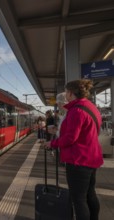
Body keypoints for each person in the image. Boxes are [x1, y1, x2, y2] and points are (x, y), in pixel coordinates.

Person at [44, 79, 103, 220]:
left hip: (79, 160)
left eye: (66, 92)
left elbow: (70, 138)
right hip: (91, 157)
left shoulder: (76, 111)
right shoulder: (91, 107)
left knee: (78, 199)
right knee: (90, 194)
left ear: (70, 93)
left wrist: (51, 144)